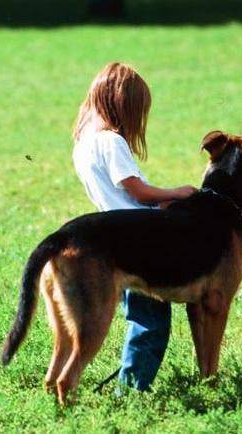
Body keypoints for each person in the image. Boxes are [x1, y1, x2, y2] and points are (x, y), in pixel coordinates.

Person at [72, 62, 196, 391]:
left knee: (138, 316)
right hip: (139, 243)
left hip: (114, 240)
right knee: (150, 322)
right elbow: (136, 191)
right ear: (123, 106)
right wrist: (176, 193)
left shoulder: (83, 143)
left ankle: (127, 382)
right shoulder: (111, 142)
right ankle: (131, 390)